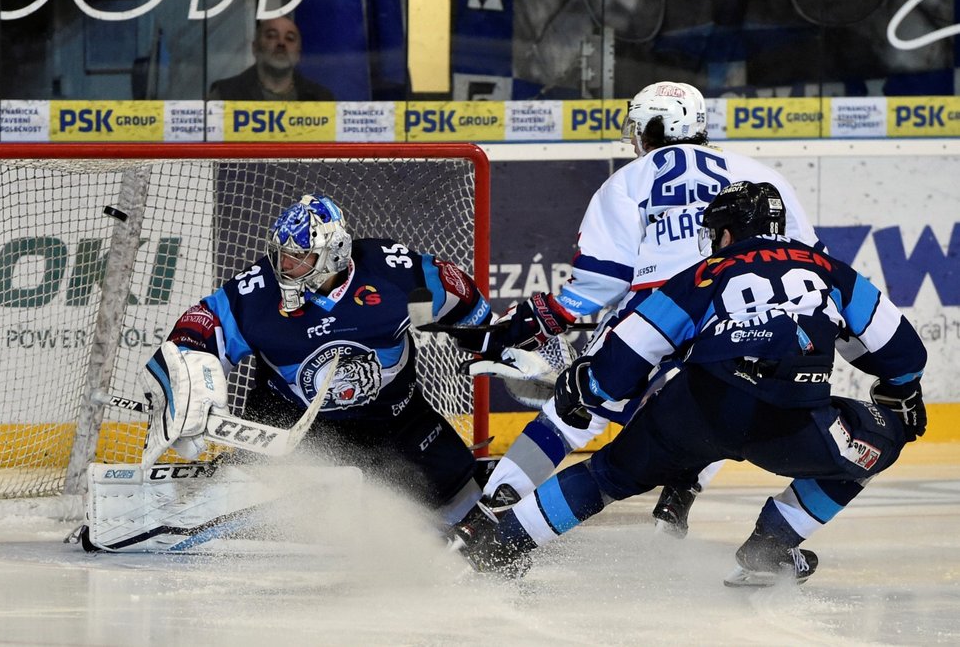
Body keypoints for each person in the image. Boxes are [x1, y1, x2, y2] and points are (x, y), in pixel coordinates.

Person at [450, 181, 928, 585]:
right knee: (884, 439)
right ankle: (771, 548)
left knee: (606, 476)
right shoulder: (830, 270)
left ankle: (500, 549)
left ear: (726, 231)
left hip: (696, 412)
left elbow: (632, 352)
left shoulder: (701, 273)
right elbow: (903, 352)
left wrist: (587, 388)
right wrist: (902, 394)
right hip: (791, 422)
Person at [460, 81, 823, 536]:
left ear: (654, 126)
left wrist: (538, 317)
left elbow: (599, 285)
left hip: (658, 310)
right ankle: (683, 489)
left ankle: (489, 512)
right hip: (739, 310)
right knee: (720, 401)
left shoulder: (627, 180)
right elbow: (810, 261)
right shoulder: (762, 177)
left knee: (575, 410)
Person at [140, 194, 490, 527]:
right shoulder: (258, 295)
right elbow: (199, 326)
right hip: (290, 424)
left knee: (465, 501)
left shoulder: (393, 277)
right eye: (281, 254)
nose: (284, 266)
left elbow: (463, 298)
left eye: (298, 257)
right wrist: (187, 379)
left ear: (333, 254)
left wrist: (491, 341)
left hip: (394, 421)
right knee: (259, 508)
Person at [208, 16, 334, 101]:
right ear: (255, 48)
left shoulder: (321, 99)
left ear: (298, 55)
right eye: (271, 36)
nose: (281, 43)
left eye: (289, 38)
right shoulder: (224, 95)